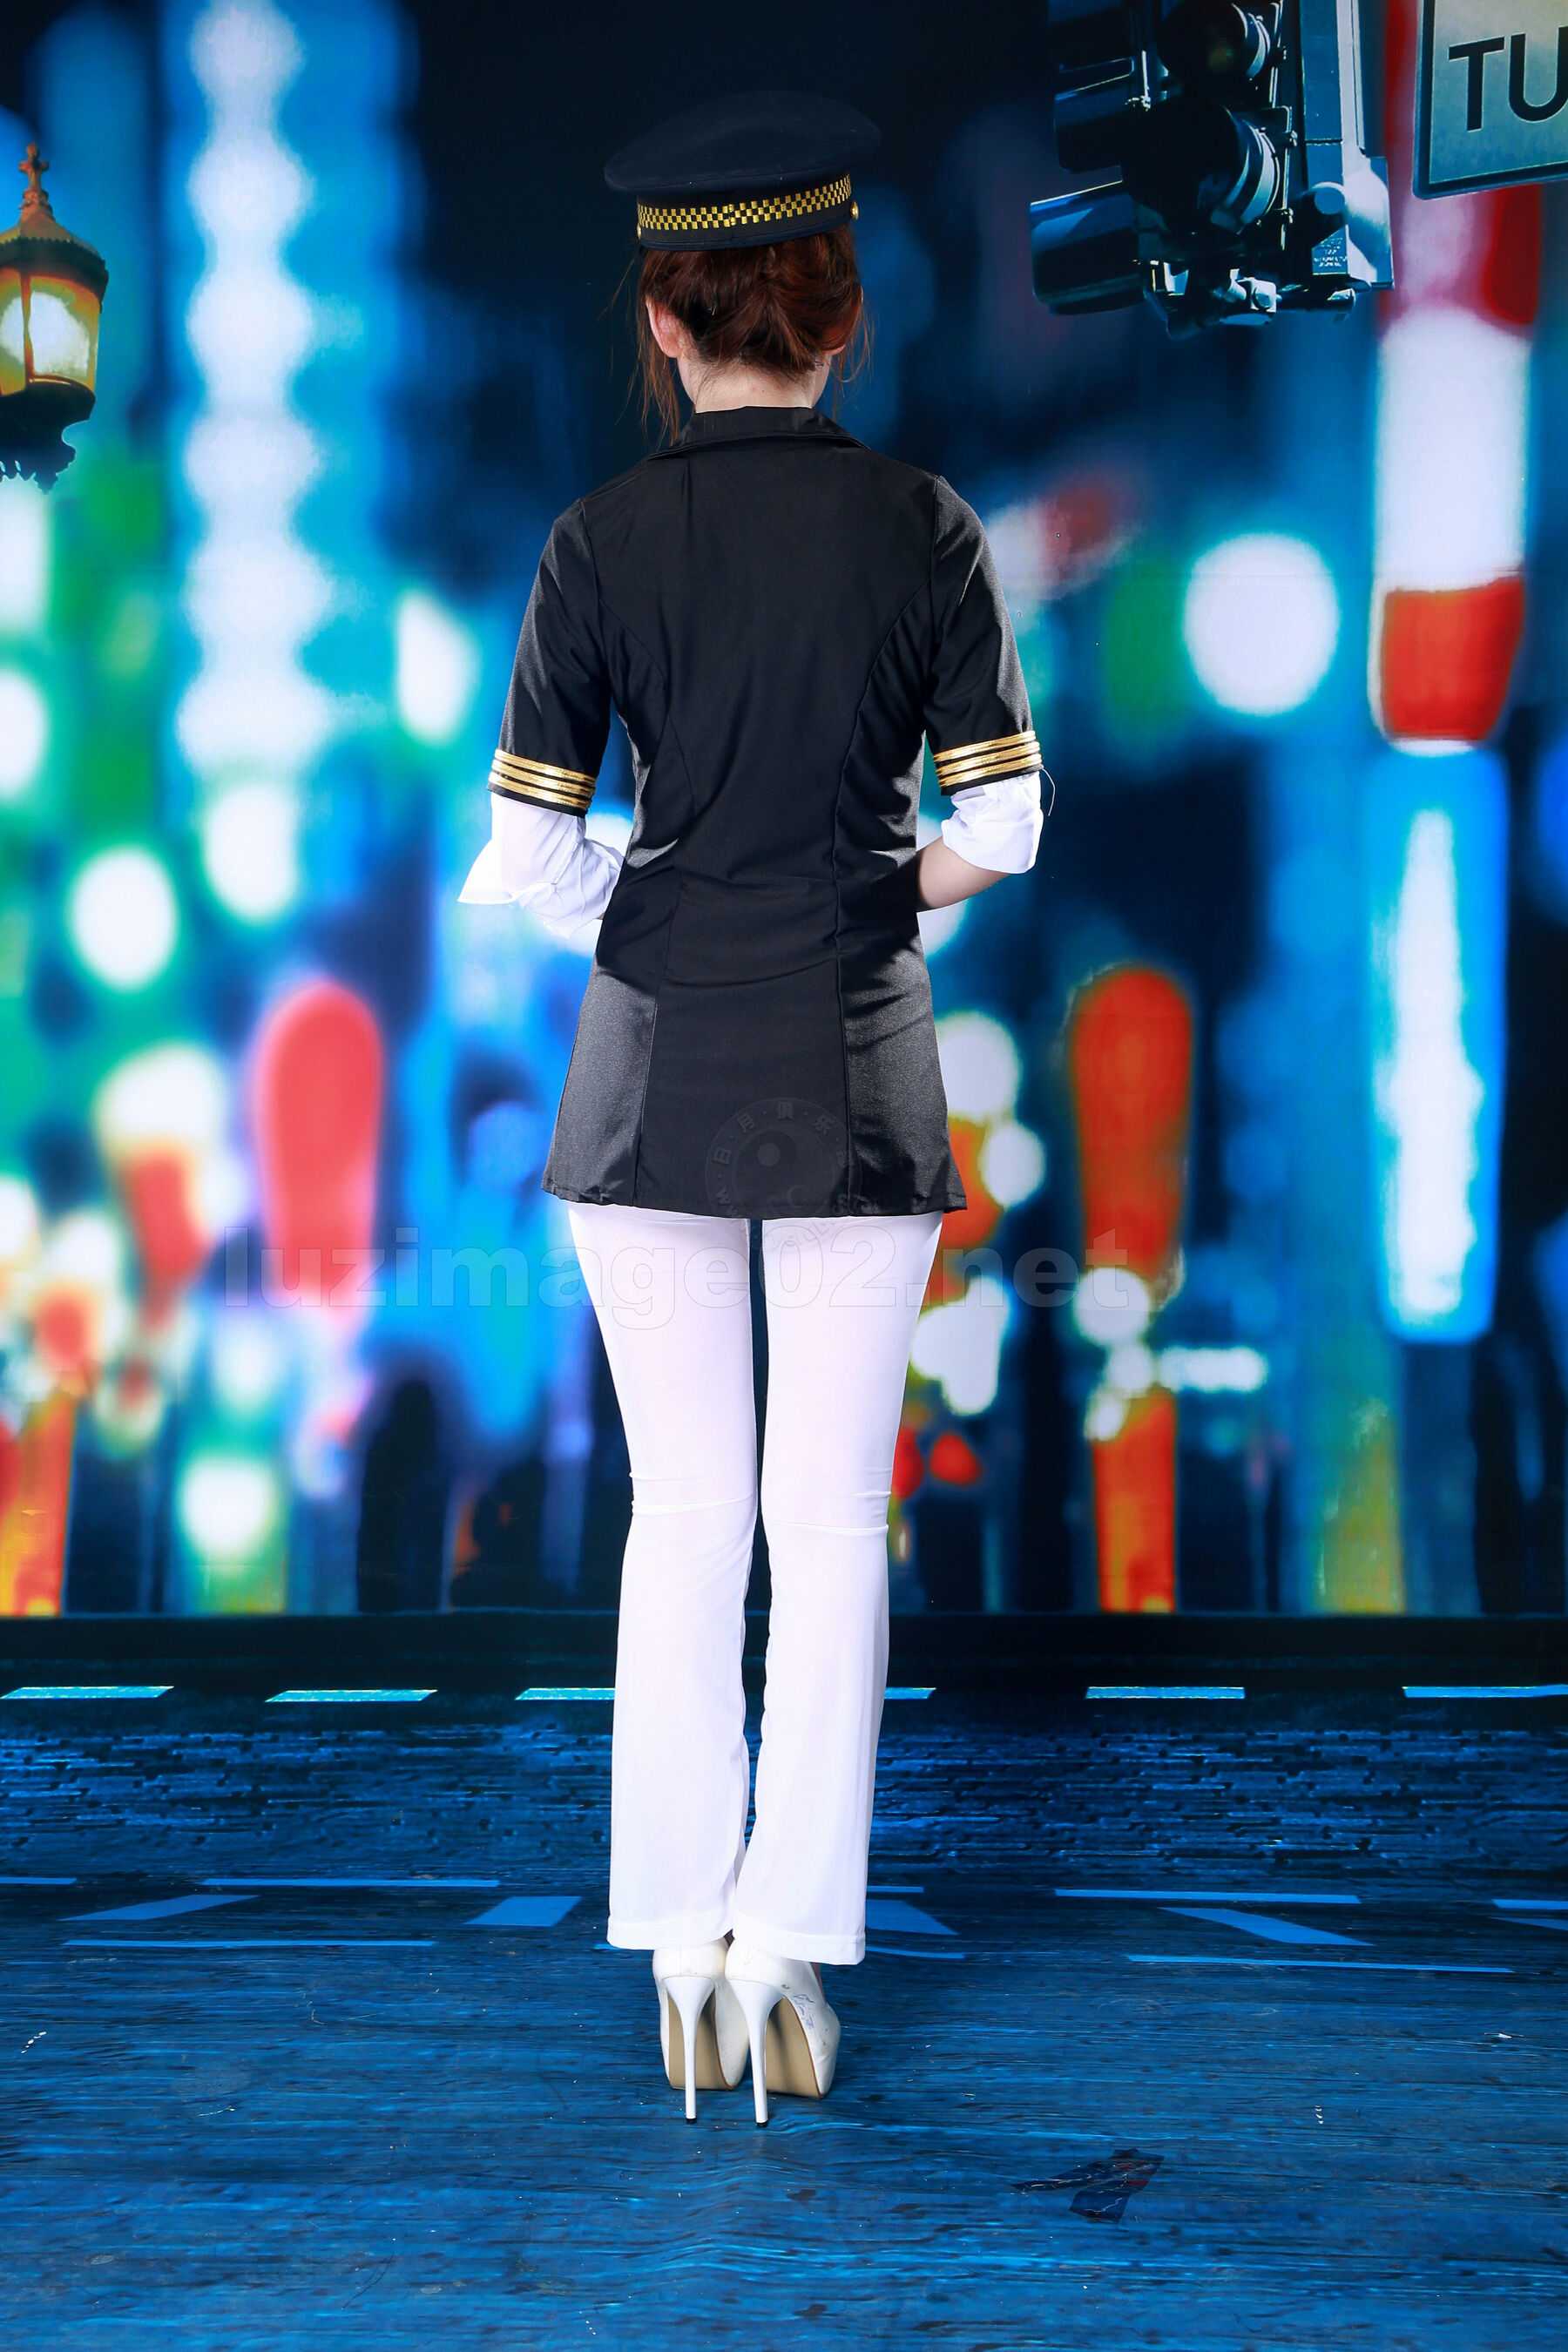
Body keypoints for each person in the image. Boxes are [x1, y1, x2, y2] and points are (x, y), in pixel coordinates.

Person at [460, 91, 1047, 2123]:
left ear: (663, 321)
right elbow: (1009, 824)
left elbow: (533, 856)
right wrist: (870, 897)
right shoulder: (926, 526)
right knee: (827, 1521)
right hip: (860, 1063)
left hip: (650, 1077)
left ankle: (678, 1951)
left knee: (687, 1518)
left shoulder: (596, 542)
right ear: (842, 313)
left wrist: (674, 903)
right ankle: (786, 1946)